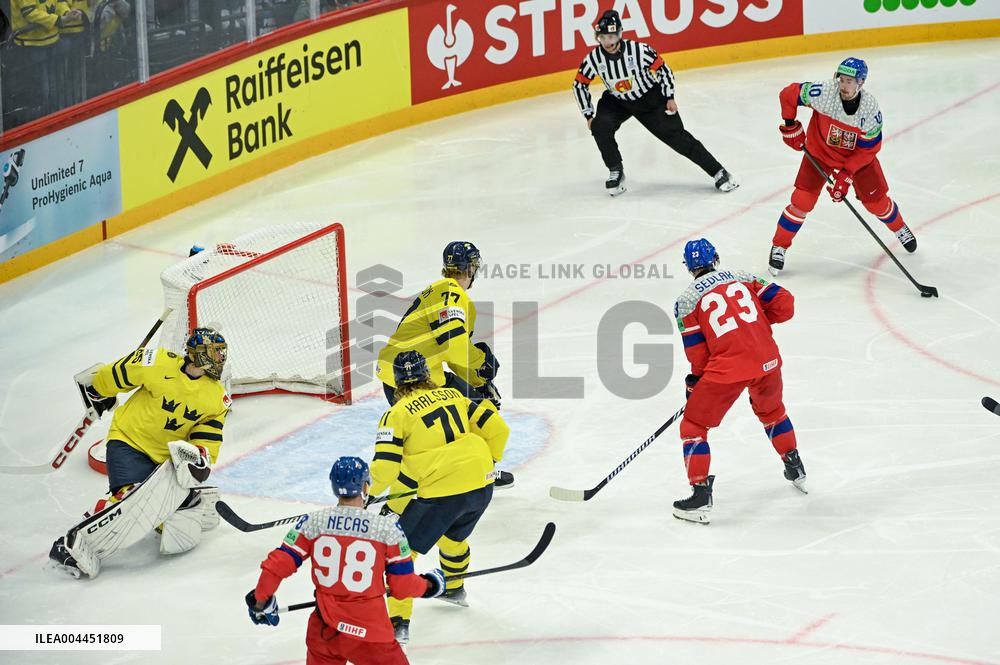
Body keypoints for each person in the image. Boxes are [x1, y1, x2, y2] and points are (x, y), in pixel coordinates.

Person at [48, 327, 230, 578]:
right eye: (216, 353)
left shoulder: (215, 396)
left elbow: (209, 435)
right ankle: (72, 541)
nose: (221, 359)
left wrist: (200, 456)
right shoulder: (157, 362)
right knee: (129, 498)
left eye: (222, 353)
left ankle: (168, 512)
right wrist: (99, 388)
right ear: (199, 354)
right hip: (129, 443)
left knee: (178, 511)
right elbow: (119, 374)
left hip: (166, 460)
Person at [246, 457, 446, 665]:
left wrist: (261, 600)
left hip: (324, 631)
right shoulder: (387, 530)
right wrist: (430, 585)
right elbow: (402, 587)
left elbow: (277, 564)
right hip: (370, 636)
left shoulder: (313, 522)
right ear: (365, 486)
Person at [371, 350, 508, 644]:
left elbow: (385, 469)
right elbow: (499, 428)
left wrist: (362, 496)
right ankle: (455, 587)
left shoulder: (396, 414)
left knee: (399, 556)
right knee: (453, 538)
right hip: (481, 487)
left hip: (443, 494)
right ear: (427, 375)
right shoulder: (455, 396)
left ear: (396, 384)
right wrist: (490, 460)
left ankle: (397, 623)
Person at [673, 239, 804, 524]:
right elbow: (786, 305)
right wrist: (757, 326)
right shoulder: (743, 278)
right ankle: (795, 466)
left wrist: (695, 383)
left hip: (727, 370)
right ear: (716, 258)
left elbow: (698, 355)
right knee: (771, 412)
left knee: (693, 425)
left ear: (688, 267)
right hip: (768, 361)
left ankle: (699, 495)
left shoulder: (685, 302)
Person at [376, 240, 511, 487]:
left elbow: (451, 350)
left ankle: (479, 470)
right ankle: (414, 486)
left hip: (417, 372)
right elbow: (456, 348)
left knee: (478, 407)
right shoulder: (452, 293)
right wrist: (482, 365)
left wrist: (478, 380)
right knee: (438, 433)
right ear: (471, 269)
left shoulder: (441, 290)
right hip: (409, 377)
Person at [769, 57, 917, 275]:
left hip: (856, 160)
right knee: (801, 201)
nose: (844, 86)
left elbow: (869, 149)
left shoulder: (869, 110)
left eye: (849, 81)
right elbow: (788, 94)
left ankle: (899, 228)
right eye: (841, 80)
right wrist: (790, 125)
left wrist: (846, 174)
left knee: (877, 204)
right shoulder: (823, 93)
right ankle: (779, 246)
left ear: (861, 83)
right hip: (820, 154)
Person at [572, 9, 737, 196]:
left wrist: (668, 96)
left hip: (649, 99)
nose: (607, 42)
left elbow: (663, 70)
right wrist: (588, 114)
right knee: (599, 126)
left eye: (611, 36)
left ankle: (718, 171)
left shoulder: (639, 50)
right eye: (602, 37)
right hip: (617, 100)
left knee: (677, 137)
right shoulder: (594, 59)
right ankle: (615, 170)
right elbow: (579, 84)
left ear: (619, 34)